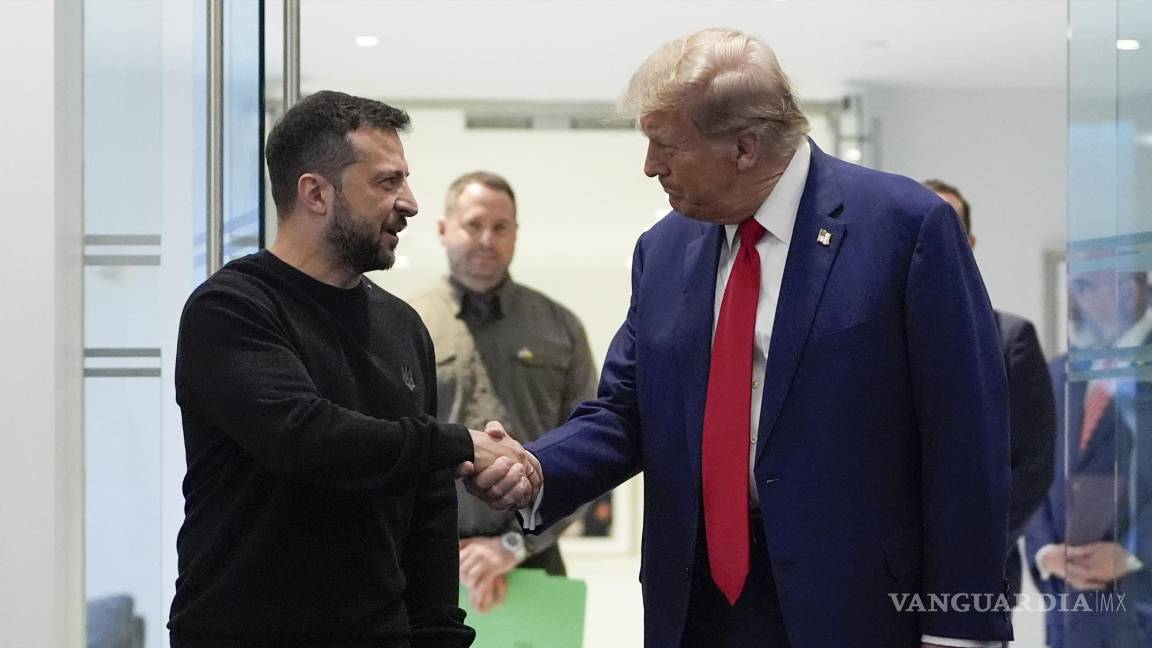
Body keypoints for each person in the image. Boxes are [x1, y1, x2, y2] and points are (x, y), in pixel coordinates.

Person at [469, 28, 1013, 647]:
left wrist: (963, 628)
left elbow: (966, 437)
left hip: (859, 609)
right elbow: (626, 411)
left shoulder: (904, 228)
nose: (650, 166)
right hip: (697, 606)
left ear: (745, 147)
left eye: (666, 144)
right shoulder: (664, 250)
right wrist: (537, 468)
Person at [168, 90, 537, 648]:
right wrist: (457, 444)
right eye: (387, 183)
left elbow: (426, 513)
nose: (410, 202)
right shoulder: (232, 309)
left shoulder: (403, 326)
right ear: (316, 193)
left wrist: (439, 633)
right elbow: (304, 437)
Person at [410, 171, 598, 613]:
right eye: (473, 225)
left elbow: (588, 452)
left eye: (501, 227)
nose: (486, 239)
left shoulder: (561, 328)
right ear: (443, 229)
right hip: (430, 565)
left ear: (516, 234)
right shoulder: (405, 325)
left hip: (535, 565)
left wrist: (513, 547)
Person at [924, 179, 1056, 598]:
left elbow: (1032, 466)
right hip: (879, 570)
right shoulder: (870, 336)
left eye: (949, 227)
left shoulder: (1010, 338)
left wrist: (971, 545)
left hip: (978, 572)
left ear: (970, 241)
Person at [1025, 267, 1152, 648]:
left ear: (1130, 289)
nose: (1075, 299)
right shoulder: (1059, 372)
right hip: (1069, 617)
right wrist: (1046, 551)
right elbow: (1031, 470)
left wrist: (1135, 552)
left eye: (1085, 284)